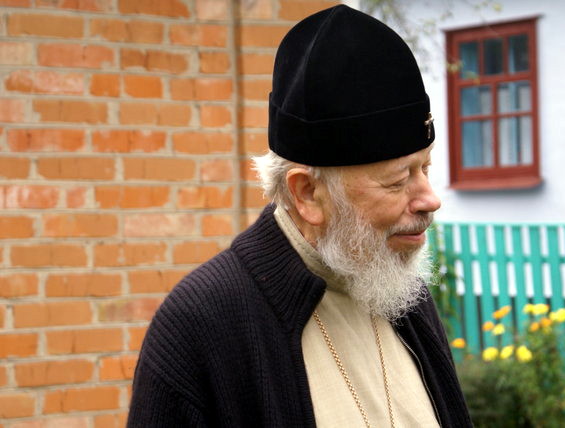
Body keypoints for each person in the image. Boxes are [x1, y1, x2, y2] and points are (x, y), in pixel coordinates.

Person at [128, 5, 471, 427]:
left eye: (426, 168)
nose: (430, 199)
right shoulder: (200, 326)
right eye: (398, 181)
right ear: (307, 193)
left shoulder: (400, 292)